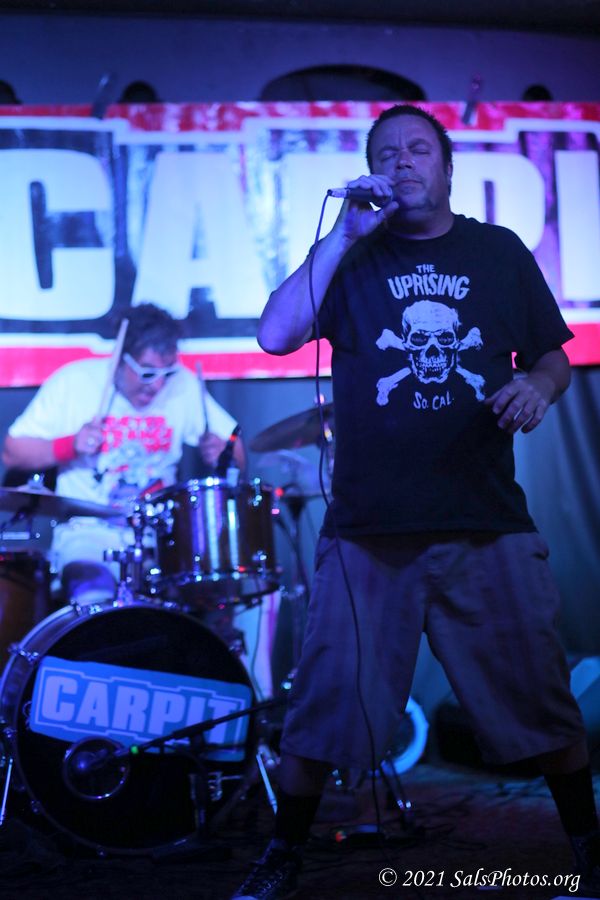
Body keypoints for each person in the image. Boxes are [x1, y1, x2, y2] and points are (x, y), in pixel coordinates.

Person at [232, 105, 600, 899]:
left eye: (419, 149)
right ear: (371, 170)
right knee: (324, 706)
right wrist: (341, 237)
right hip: (369, 532)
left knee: (542, 700)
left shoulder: (497, 252)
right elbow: (275, 334)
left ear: (447, 166)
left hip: (485, 522)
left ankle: (588, 851)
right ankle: (283, 855)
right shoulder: (352, 257)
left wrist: (538, 387)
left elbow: (553, 356)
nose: (403, 161)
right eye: (387, 153)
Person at [2, 302, 244, 605]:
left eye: (166, 373)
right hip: (88, 531)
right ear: (119, 358)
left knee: (213, 592)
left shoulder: (183, 385)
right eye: (147, 373)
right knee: (94, 599)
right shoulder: (74, 382)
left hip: (160, 537)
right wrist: (70, 445)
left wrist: (223, 454)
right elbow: (12, 452)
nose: (157, 385)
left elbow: (237, 450)